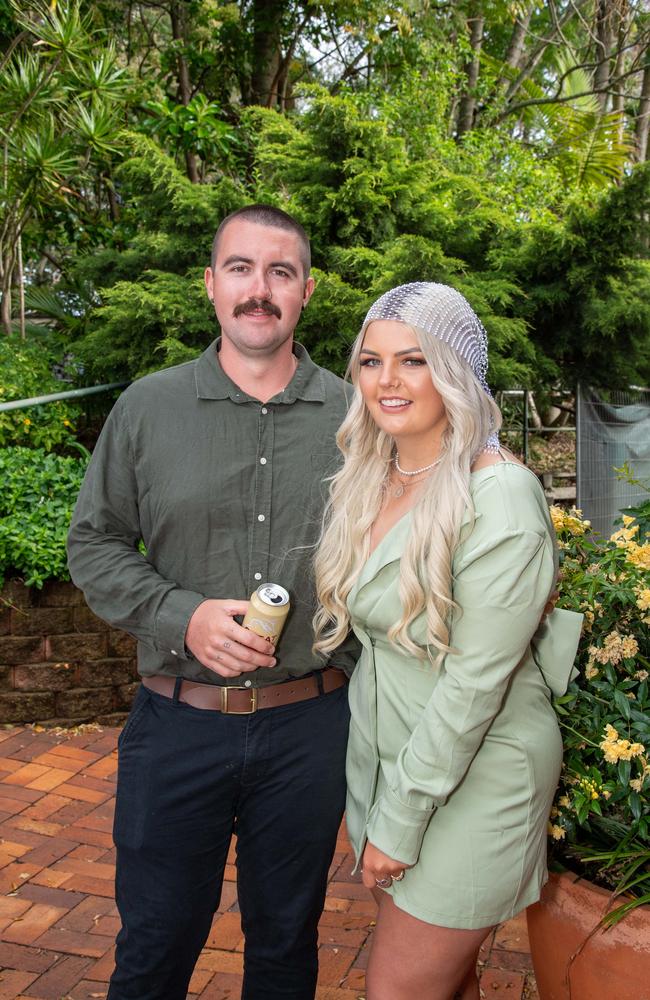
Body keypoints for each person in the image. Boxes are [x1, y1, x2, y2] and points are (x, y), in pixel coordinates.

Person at [67, 204, 359, 1000]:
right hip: (176, 726)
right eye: (240, 268)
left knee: (284, 952)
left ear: (306, 291)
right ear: (210, 285)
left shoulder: (358, 419)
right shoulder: (147, 408)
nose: (258, 290)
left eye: (279, 272)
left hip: (310, 729)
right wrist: (181, 615)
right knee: (154, 953)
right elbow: (92, 545)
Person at [313, 282, 583, 1000]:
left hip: (477, 770)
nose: (387, 381)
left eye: (414, 360)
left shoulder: (498, 497)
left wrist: (399, 824)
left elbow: (473, 687)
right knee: (445, 980)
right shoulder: (376, 473)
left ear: (456, 372)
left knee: (399, 990)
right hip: (393, 755)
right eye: (370, 361)